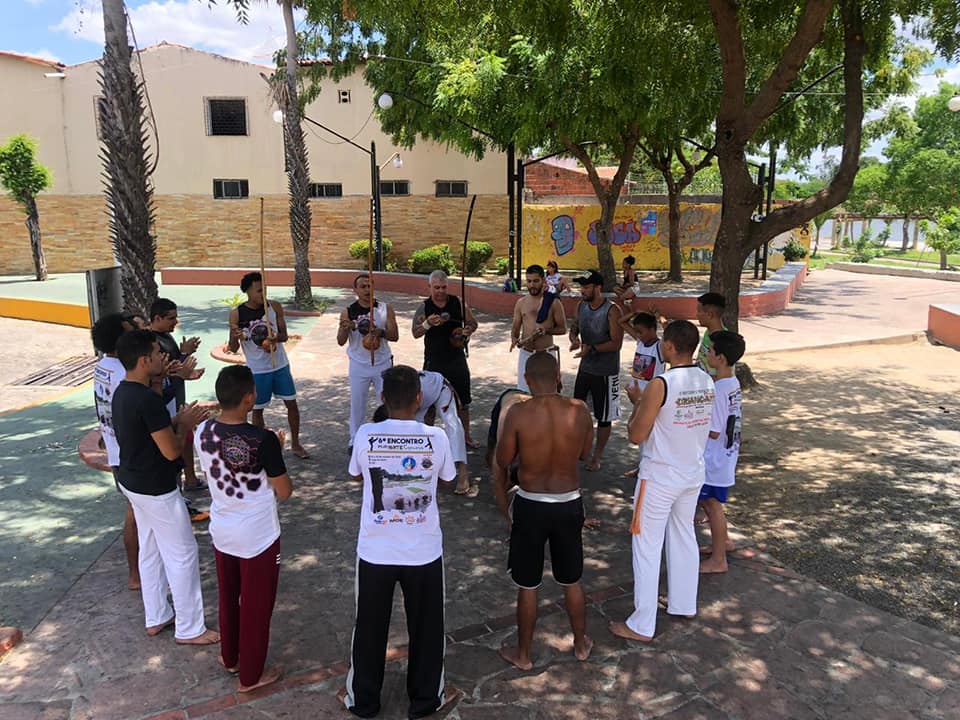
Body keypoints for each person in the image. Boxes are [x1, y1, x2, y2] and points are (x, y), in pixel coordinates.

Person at [342, 365, 461, 718]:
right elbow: (448, 480)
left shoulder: (366, 434)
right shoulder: (436, 437)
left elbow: (355, 475)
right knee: (427, 627)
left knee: (368, 626)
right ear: (419, 399)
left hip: (375, 550)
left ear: (382, 398)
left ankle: (363, 701)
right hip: (423, 551)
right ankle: (426, 700)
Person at [609, 320, 715, 643]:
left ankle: (642, 623)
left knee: (646, 545)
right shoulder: (706, 380)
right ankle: (683, 603)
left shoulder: (662, 383)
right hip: (691, 473)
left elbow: (636, 434)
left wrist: (637, 403)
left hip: (660, 476)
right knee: (684, 536)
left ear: (669, 346)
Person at [112, 329, 218, 645]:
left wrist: (173, 411)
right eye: (158, 354)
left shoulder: (124, 392)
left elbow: (150, 428)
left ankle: (156, 615)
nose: (164, 357)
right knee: (183, 553)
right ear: (145, 360)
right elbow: (171, 451)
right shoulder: (146, 400)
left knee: (151, 549)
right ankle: (190, 628)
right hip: (156, 488)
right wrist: (184, 423)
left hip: (133, 482)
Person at [494, 352, 595, 670]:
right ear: (558, 377)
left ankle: (523, 655)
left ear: (527, 380)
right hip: (568, 501)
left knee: (528, 584)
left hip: (531, 504)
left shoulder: (518, 413)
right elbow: (584, 454)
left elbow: (503, 459)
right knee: (572, 579)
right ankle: (580, 644)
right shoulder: (580, 410)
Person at [195, 365, 293, 692]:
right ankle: (251, 676)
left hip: (222, 529)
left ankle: (231, 657)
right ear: (250, 398)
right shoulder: (263, 440)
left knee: (228, 596)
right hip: (258, 535)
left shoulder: (203, 431)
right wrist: (277, 451)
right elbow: (284, 491)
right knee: (256, 606)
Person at [228, 271, 309, 458]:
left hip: (280, 365)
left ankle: (296, 444)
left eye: (265, 289)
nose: (263, 293)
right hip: (257, 370)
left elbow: (284, 336)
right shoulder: (237, 314)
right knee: (257, 410)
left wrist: (275, 339)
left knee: (292, 404)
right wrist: (235, 336)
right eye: (259, 290)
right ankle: (262, 448)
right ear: (247, 291)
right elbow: (233, 347)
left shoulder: (274, 307)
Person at [92, 312, 140, 590]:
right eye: (129, 332)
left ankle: (138, 572)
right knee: (136, 514)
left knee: (135, 512)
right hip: (129, 454)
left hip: (117, 451)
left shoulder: (103, 366)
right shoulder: (124, 373)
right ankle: (135, 574)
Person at [372, 369, 476, 496]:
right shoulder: (392, 398)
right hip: (419, 398)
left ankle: (463, 471)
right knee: (415, 434)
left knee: (452, 423)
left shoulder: (408, 392)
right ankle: (418, 470)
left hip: (440, 389)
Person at [411, 270, 480, 448]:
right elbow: (415, 332)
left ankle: (465, 436)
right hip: (433, 360)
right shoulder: (424, 307)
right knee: (429, 403)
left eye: (443, 287)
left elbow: (473, 322)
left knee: (463, 402)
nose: (440, 291)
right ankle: (427, 438)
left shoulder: (458, 302)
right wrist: (427, 324)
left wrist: (468, 330)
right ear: (429, 287)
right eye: (436, 288)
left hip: (456, 358)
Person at [699, 331, 745, 575]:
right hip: (726, 454)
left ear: (721, 358)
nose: (707, 353)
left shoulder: (719, 390)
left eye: (710, 350)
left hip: (714, 458)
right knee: (710, 503)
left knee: (712, 504)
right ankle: (723, 542)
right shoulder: (732, 383)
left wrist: (693, 424)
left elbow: (714, 431)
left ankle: (719, 560)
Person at [568, 270, 624, 471]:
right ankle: (579, 449)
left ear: (598, 288)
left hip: (606, 372)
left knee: (604, 417)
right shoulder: (581, 306)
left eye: (586, 287)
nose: (582, 290)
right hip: (586, 368)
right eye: (581, 287)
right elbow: (575, 326)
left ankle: (597, 456)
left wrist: (591, 349)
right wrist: (574, 338)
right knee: (577, 411)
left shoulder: (612, 310)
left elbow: (616, 343)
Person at [337, 273, 399, 449]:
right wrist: (345, 327)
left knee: (385, 401)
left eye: (369, 286)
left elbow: (394, 336)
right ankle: (354, 439)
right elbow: (340, 341)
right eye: (362, 287)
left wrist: (380, 332)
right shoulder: (348, 312)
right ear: (355, 290)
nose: (367, 290)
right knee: (357, 403)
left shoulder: (385, 309)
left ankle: (386, 437)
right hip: (358, 364)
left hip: (382, 362)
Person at [149, 298, 204, 488]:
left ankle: (189, 480)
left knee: (186, 438)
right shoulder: (155, 343)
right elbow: (168, 374)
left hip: (176, 400)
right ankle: (179, 486)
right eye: (171, 318)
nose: (175, 322)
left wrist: (185, 358)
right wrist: (185, 357)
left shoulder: (166, 337)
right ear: (157, 318)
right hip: (168, 405)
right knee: (174, 447)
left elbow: (175, 369)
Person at [619, 311, 666, 479]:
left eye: (641, 331)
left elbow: (670, 332)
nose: (638, 335)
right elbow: (621, 322)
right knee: (642, 434)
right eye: (636, 331)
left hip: (651, 397)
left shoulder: (660, 347)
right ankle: (642, 466)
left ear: (653, 329)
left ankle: (648, 469)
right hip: (638, 396)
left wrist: (659, 317)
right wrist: (635, 312)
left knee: (649, 433)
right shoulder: (640, 342)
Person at [509, 264, 567, 392]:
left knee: (548, 396)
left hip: (546, 354)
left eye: (535, 281)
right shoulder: (521, 303)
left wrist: (546, 331)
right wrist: (514, 338)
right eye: (529, 281)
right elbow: (515, 327)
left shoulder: (553, 302)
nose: (532, 285)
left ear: (543, 280)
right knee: (524, 394)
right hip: (526, 354)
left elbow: (563, 329)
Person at [695, 292, 727, 377]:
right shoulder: (708, 332)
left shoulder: (723, 340)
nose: (696, 315)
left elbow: (723, 375)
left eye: (699, 311)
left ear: (710, 314)